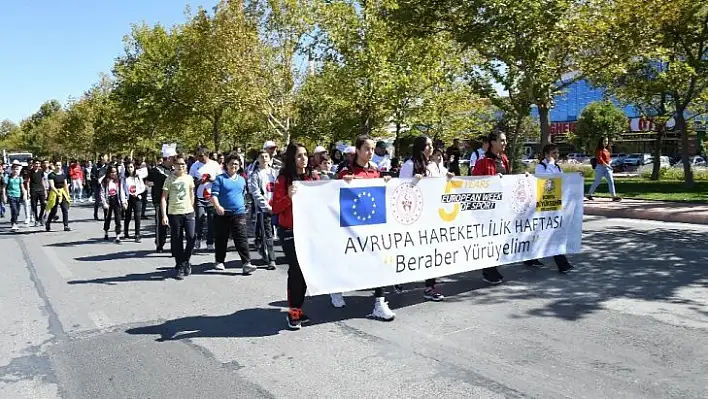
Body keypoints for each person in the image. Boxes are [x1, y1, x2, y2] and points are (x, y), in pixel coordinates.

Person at [334, 135, 396, 321]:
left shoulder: (375, 171)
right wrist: (344, 182)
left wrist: (385, 183)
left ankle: (379, 302)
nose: (370, 152)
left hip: (372, 225)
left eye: (372, 149)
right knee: (348, 261)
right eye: (367, 149)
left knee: (378, 261)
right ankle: (336, 288)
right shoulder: (347, 170)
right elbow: (334, 192)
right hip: (351, 226)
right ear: (358, 150)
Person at [398, 135, 454, 301]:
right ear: (419, 147)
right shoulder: (409, 165)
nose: (430, 148)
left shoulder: (433, 166)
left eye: (431, 145)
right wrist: (414, 183)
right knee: (409, 250)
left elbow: (440, 183)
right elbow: (400, 189)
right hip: (413, 215)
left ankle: (430, 286)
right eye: (427, 145)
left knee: (432, 250)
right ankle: (399, 277)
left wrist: (448, 178)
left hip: (432, 215)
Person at [272, 142, 320, 330]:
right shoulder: (283, 179)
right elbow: (275, 207)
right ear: (292, 159)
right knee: (296, 269)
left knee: (305, 271)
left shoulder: (312, 177)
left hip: (308, 230)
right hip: (290, 231)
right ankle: (293, 310)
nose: (304, 159)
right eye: (299, 155)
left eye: (305, 155)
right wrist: (288, 197)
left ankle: (298, 308)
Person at [526, 143, 575, 273]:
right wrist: (552, 167)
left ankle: (530, 258)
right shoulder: (541, 167)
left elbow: (564, 181)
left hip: (555, 205)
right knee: (549, 233)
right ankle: (562, 264)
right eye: (554, 153)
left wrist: (576, 177)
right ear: (547, 155)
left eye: (557, 153)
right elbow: (544, 181)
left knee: (547, 233)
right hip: (544, 205)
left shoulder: (557, 167)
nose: (556, 155)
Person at [472, 132, 509, 285]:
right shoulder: (483, 161)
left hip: (501, 206)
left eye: (505, 140)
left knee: (498, 237)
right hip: (487, 208)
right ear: (492, 142)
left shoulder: (504, 159)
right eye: (501, 140)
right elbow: (474, 183)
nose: (504, 143)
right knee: (488, 238)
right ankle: (488, 270)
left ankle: (493, 266)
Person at [211, 153, 256, 275]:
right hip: (223, 213)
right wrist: (218, 206)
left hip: (239, 213)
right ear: (226, 165)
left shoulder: (242, 179)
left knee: (241, 238)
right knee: (221, 238)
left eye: (236, 164)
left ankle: (246, 263)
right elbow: (213, 195)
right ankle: (219, 261)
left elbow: (243, 194)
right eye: (231, 164)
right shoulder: (220, 179)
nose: (234, 166)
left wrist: (246, 205)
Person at [161, 155, 196, 280]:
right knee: (177, 239)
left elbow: (192, 194)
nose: (181, 166)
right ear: (173, 166)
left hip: (188, 212)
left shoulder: (189, 178)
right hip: (174, 212)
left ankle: (185, 260)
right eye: (178, 164)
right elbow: (164, 198)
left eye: (183, 164)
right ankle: (180, 265)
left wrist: (191, 208)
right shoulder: (169, 179)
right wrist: (164, 215)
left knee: (192, 237)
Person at [248, 150, 278, 270]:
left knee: (276, 233)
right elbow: (255, 193)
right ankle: (272, 259)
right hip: (264, 209)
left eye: (267, 156)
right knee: (268, 233)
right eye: (262, 157)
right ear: (258, 159)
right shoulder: (255, 175)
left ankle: (262, 248)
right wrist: (266, 207)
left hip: (277, 206)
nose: (265, 158)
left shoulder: (274, 173)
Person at [189, 148, 222, 251]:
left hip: (212, 196)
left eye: (201, 155)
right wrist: (200, 181)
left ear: (207, 155)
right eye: (198, 155)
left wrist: (211, 179)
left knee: (211, 220)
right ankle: (198, 238)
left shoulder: (214, 164)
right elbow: (191, 181)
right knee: (199, 218)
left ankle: (210, 242)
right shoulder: (195, 165)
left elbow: (220, 179)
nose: (199, 158)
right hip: (200, 196)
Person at [145, 155, 173, 252]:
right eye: (172, 158)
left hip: (174, 200)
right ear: (168, 159)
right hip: (159, 200)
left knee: (174, 223)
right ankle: (160, 244)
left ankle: (174, 246)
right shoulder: (156, 170)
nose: (174, 160)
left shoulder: (175, 170)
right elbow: (147, 182)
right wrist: (155, 184)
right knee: (161, 223)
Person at [587, 137, 622, 202]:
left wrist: (610, 164)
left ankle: (614, 196)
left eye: (606, 141)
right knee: (597, 182)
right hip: (600, 168)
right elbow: (600, 160)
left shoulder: (606, 150)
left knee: (611, 181)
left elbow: (608, 159)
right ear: (601, 142)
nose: (606, 143)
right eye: (604, 141)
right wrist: (608, 166)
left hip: (607, 168)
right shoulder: (598, 150)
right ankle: (589, 194)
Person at [100, 166, 127, 243]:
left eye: (115, 172)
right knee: (107, 218)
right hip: (108, 200)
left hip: (116, 200)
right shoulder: (105, 181)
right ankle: (106, 232)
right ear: (108, 172)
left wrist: (124, 201)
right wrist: (104, 203)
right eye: (112, 172)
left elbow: (122, 191)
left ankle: (118, 236)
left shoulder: (118, 181)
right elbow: (102, 193)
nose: (113, 174)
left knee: (118, 219)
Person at [123, 161, 146, 242]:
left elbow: (142, 187)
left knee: (137, 217)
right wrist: (125, 199)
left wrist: (137, 193)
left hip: (137, 198)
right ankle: (126, 233)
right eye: (128, 167)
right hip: (128, 198)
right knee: (128, 216)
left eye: (131, 167)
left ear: (134, 167)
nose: (130, 169)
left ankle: (137, 235)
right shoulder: (124, 178)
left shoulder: (138, 177)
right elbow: (123, 189)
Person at [45, 161, 71, 232]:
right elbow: (52, 186)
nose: (58, 166)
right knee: (54, 210)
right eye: (57, 165)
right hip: (54, 193)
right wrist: (57, 193)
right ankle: (48, 222)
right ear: (54, 166)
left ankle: (66, 225)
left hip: (62, 192)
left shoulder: (63, 175)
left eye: (59, 165)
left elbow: (65, 185)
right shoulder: (51, 175)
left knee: (65, 209)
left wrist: (67, 195)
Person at [2, 162, 26, 232]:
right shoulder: (8, 177)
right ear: (12, 169)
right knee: (14, 210)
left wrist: (24, 194)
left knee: (17, 211)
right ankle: (14, 224)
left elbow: (22, 187)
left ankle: (13, 220)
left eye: (17, 169)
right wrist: (4, 196)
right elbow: (4, 187)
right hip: (10, 195)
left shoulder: (19, 178)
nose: (15, 170)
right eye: (14, 169)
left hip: (18, 195)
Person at [28, 160, 47, 226]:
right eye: (36, 163)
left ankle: (40, 217)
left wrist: (45, 190)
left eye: (39, 164)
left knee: (44, 204)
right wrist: (28, 192)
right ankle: (36, 219)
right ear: (33, 164)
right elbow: (28, 182)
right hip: (33, 190)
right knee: (34, 206)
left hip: (41, 190)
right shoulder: (30, 172)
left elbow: (42, 181)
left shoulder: (41, 171)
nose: (37, 165)